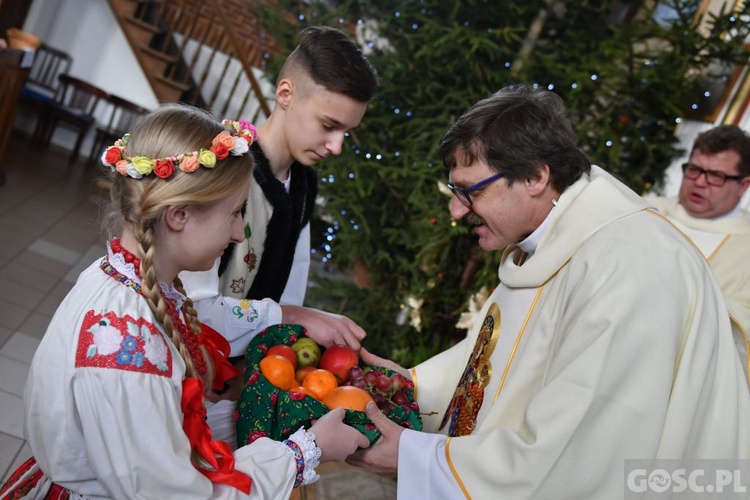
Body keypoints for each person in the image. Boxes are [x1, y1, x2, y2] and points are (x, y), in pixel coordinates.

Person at [346, 86, 750, 498]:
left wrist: (417, 457)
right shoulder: (555, 237)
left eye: (472, 191)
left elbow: (579, 453)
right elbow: (502, 356)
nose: (456, 210)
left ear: (536, 176)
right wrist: (407, 385)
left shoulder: (626, 268)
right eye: (455, 190)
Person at [0, 105, 369, 499]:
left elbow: (164, 429)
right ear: (178, 215)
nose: (238, 235)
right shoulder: (129, 347)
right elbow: (176, 493)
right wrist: (304, 452)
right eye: (234, 213)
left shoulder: (130, 283)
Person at [180, 26, 379, 359]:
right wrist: (297, 317)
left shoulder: (304, 183)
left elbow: (292, 285)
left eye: (347, 131)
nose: (337, 145)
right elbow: (191, 306)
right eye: (329, 125)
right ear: (285, 94)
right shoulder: (223, 169)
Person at [644, 125, 750, 382]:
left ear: (743, 185)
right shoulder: (645, 210)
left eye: (716, 176)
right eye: (694, 170)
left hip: (686, 375)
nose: (700, 183)